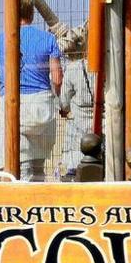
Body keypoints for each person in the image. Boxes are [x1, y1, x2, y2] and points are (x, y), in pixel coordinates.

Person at [0, 0, 62, 181]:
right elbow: (57, 78)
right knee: (37, 165)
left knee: (17, 165)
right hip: (42, 107)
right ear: (32, 13)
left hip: (15, 107)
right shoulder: (48, 39)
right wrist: (55, 96)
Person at [56, 25, 96, 180]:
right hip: (105, 124)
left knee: (74, 167)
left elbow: (64, 102)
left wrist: (64, 110)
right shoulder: (112, 66)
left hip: (78, 123)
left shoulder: (74, 68)